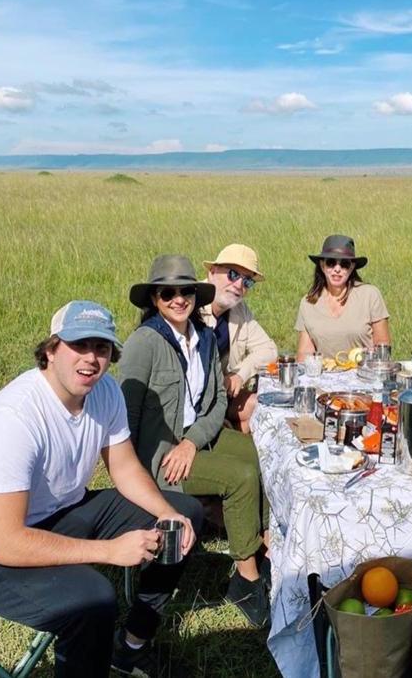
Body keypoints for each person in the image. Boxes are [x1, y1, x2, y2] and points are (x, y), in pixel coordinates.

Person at [0, 301, 201, 678]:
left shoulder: (104, 392)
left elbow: (124, 468)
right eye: (78, 345)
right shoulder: (15, 419)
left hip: (62, 512)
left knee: (183, 514)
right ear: (51, 350)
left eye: (101, 348)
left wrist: (166, 512)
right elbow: (3, 541)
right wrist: (110, 550)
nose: (90, 359)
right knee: (94, 600)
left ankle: (131, 646)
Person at [119, 255, 271, 628]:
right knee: (240, 477)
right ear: (154, 298)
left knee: (262, 455)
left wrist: (192, 441)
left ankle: (266, 546)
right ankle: (246, 577)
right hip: (161, 460)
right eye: (167, 292)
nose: (178, 299)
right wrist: (142, 477)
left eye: (186, 291)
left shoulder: (202, 337)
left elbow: (217, 400)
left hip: (196, 438)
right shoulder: (145, 342)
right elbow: (125, 420)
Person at [201, 244, 277, 434]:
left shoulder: (238, 309)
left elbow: (269, 350)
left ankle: (231, 432)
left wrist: (239, 375)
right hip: (198, 402)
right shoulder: (190, 304)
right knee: (255, 424)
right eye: (233, 274)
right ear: (212, 272)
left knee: (265, 410)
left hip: (223, 395)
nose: (239, 285)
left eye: (247, 281)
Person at [295, 234, 390, 361]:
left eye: (344, 264)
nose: (337, 269)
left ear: (352, 267)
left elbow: (383, 346)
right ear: (322, 266)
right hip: (324, 375)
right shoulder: (308, 302)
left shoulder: (370, 295)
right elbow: (304, 354)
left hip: (364, 373)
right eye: (331, 263)